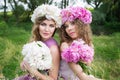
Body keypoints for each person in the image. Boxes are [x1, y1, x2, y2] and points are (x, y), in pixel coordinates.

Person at [14, 4, 61, 80]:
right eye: (43, 24)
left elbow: (53, 78)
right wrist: (25, 63)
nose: (47, 29)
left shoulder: (53, 49)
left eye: (51, 26)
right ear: (37, 25)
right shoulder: (38, 41)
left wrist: (33, 71)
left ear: (55, 28)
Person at [58, 6, 102, 80]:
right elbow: (81, 76)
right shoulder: (65, 45)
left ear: (81, 24)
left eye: (72, 23)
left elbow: (87, 67)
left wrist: (84, 56)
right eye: (66, 26)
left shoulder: (89, 44)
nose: (69, 28)